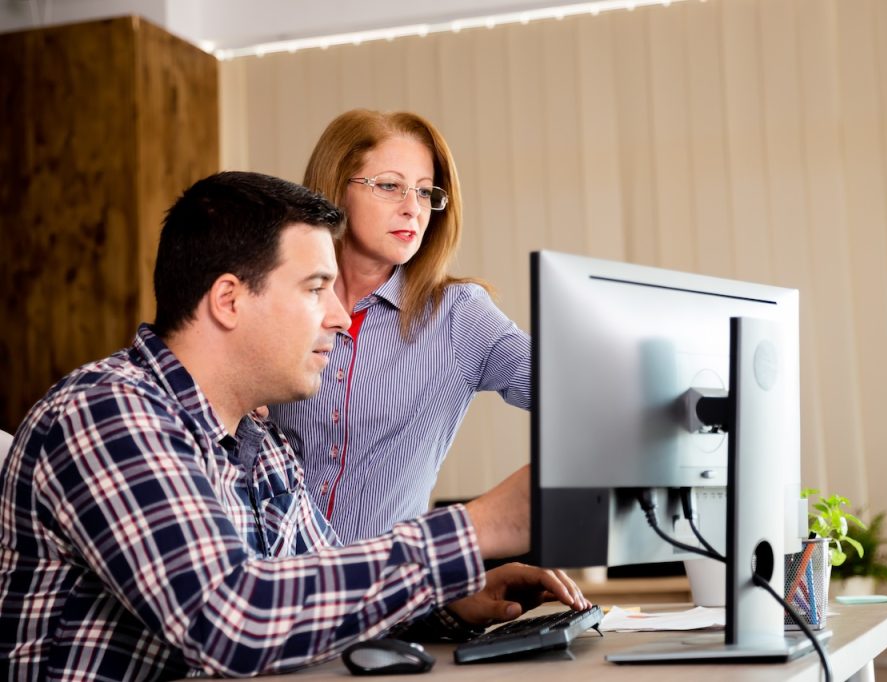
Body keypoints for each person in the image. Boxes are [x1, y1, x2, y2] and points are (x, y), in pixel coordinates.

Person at [0, 171, 587, 680]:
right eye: (314, 289)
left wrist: (456, 601)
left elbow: (314, 593)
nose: (340, 317)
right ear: (229, 300)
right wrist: (479, 528)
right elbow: (231, 622)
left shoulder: (264, 447)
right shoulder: (105, 414)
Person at [270, 109, 532, 543]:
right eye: (390, 186)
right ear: (335, 189)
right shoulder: (278, 298)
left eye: (426, 192)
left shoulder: (458, 314)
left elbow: (570, 393)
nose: (413, 209)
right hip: (272, 594)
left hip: (390, 598)